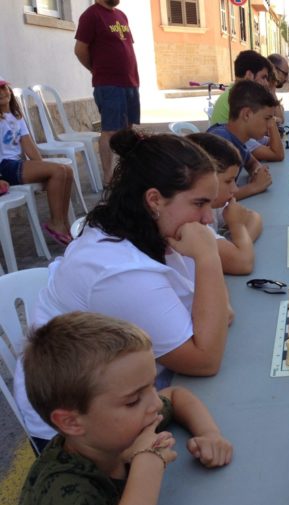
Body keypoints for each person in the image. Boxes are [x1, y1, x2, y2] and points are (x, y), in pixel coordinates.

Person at [14, 130, 231, 447]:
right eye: (199, 203)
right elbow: (205, 360)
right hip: (80, 429)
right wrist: (209, 258)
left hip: (127, 388)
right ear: (154, 199)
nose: (208, 219)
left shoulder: (151, 230)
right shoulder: (116, 271)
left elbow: (219, 314)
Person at [18, 312, 233, 505]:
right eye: (132, 401)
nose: (156, 404)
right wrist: (147, 465)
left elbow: (176, 395)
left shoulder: (119, 430)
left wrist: (209, 434)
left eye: (152, 386)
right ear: (71, 422)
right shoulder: (63, 496)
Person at [0, 78, 74, 244]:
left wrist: (41, 167)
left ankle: (63, 223)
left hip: (17, 164)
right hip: (5, 168)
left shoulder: (16, 117)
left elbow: (29, 147)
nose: (3, 92)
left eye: (5, 88)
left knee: (66, 171)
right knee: (57, 171)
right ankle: (55, 224)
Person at [74, 0, 139, 185]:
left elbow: (126, 46)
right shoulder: (91, 15)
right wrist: (96, 70)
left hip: (130, 81)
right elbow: (80, 50)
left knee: (128, 129)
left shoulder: (121, 15)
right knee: (110, 130)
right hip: (109, 84)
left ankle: (127, 172)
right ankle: (108, 177)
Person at [187, 132, 262, 275]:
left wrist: (240, 245)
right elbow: (243, 264)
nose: (235, 188)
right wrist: (238, 229)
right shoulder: (193, 222)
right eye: (228, 181)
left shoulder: (214, 206)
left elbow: (254, 217)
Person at [207, 81, 278, 200]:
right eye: (267, 118)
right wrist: (254, 187)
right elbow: (213, 198)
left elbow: (251, 162)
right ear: (247, 114)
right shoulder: (221, 141)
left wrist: (256, 171)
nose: (270, 124)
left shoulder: (238, 139)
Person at [210, 51, 284, 163]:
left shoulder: (234, 93)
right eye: (263, 77)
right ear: (249, 75)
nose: (266, 83)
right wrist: (272, 121)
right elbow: (277, 154)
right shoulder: (238, 100)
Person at [267, 53, 289, 125]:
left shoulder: (270, 88)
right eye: (285, 74)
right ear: (274, 70)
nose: (287, 79)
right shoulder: (266, 88)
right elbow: (280, 119)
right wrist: (272, 90)